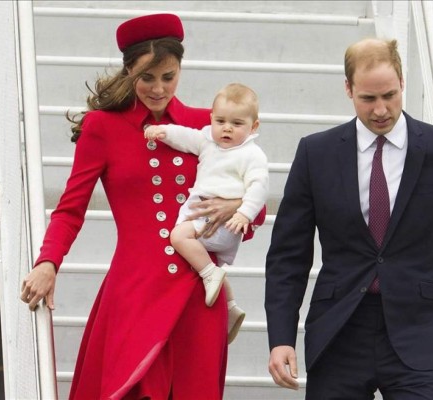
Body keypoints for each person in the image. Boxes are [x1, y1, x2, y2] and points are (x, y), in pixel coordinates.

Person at [19, 13, 265, 399]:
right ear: (128, 71)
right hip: (134, 292)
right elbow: (70, 209)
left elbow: (257, 208)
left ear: (180, 69)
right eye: (146, 77)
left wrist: (235, 204)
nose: (158, 88)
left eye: (168, 76)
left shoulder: (208, 125)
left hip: (199, 294)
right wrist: (48, 262)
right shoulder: (102, 127)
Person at [264, 37, 433, 399]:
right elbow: (287, 256)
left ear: (403, 83)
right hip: (339, 332)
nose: (381, 110)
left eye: (390, 95)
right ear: (348, 89)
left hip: (416, 332)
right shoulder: (316, 153)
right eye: (368, 98)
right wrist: (281, 337)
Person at [144, 82, 269, 344]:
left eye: (237, 124)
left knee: (179, 238)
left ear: (253, 127)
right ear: (211, 119)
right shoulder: (209, 141)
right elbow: (186, 136)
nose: (227, 128)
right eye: (221, 121)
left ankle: (210, 275)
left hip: (222, 223)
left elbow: (259, 187)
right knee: (206, 258)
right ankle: (230, 305)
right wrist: (162, 132)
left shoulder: (251, 154)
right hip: (202, 213)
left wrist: (243, 213)